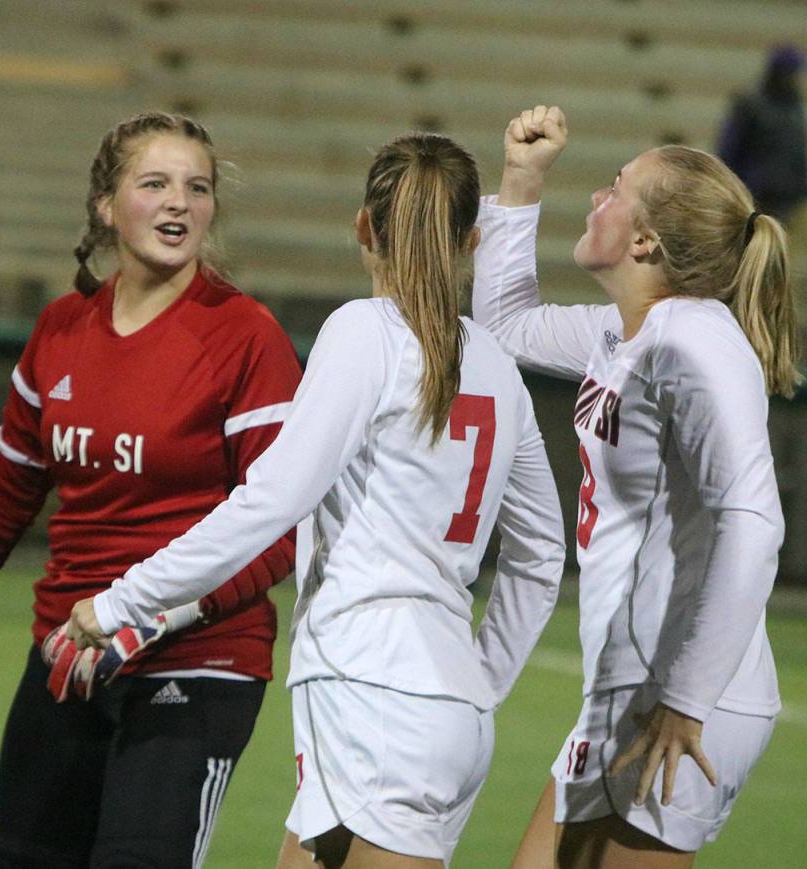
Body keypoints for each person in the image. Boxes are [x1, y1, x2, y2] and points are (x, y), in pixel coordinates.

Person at [62, 131, 567, 868]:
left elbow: (272, 500)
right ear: (473, 240)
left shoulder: (364, 333)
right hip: (424, 700)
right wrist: (476, 677)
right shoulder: (496, 362)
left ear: (364, 225)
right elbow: (541, 553)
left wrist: (121, 602)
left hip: (374, 696)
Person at [0, 111, 303, 868]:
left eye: (197, 188)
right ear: (105, 203)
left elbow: (283, 526)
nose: (180, 203)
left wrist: (156, 615)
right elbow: (6, 492)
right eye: (155, 183)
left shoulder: (246, 338)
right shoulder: (62, 330)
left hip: (195, 660)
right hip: (66, 652)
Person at [473, 106, 800, 868]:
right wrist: (522, 182)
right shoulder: (627, 331)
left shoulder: (696, 337)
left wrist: (688, 696)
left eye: (616, 187)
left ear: (647, 239)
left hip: (686, 700)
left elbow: (753, 523)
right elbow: (505, 328)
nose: (597, 197)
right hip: (628, 687)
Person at [717, 44, 807, 232]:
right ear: (780, 73)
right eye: (793, 73)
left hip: (787, 199)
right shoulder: (750, 102)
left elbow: (798, 149)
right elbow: (729, 148)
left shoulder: (794, 103)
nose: (796, 79)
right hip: (755, 198)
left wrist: (804, 190)